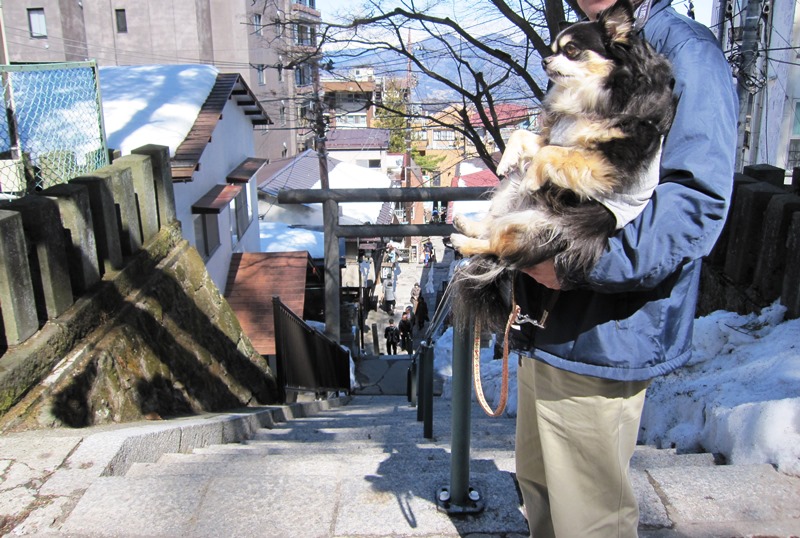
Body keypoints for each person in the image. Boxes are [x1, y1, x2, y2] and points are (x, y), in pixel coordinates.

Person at [510, 1, 737, 537]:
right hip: (548, 314)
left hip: (606, 323)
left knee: (588, 514)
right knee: (540, 489)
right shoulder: (596, 38)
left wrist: (573, 265)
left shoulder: (685, 51)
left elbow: (694, 204)